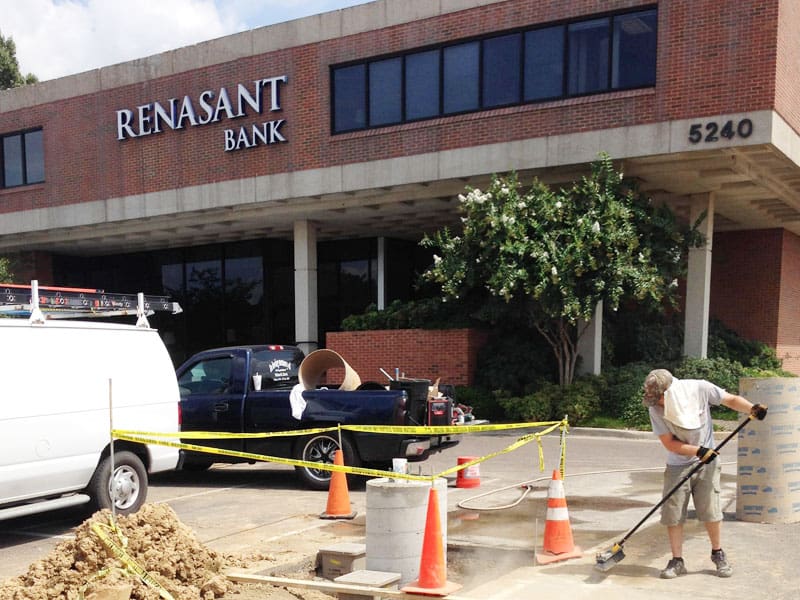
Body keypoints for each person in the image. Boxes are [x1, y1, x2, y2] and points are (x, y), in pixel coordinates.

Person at [642, 368, 768, 579]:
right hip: (678, 464)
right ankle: (677, 560)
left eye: (660, 398)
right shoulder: (655, 409)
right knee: (673, 513)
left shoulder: (699, 388)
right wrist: (698, 451)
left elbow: (730, 400)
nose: (657, 403)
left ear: (671, 392)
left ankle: (718, 553)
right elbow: (670, 443)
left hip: (708, 464)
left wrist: (751, 408)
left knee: (711, 510)